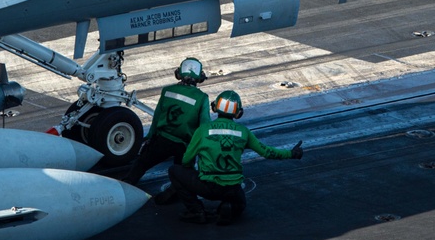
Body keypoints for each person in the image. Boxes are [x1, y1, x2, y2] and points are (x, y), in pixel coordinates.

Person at [168, 90, 304, 225]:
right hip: (232, 188)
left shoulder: (203, 130)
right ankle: (227, 208)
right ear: (238, 113)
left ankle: (196, 211)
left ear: (215, 107)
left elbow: (186, 160)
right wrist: (291, 153)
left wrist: (194, 171)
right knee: (240, 205)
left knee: (174, 170)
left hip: (207, 186)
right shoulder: (243, 132)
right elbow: (267, 152)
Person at [122, 58, 210, 190]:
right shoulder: (202, 98)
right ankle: (179, 195)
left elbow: (157, 117)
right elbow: (205, 126)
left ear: (178, 74)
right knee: (184, 175)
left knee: (141, 164)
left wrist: (150, 138)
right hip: (184, 145)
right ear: (200, 77)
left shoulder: (167, 90)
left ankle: (125, 185)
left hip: (162, 139)